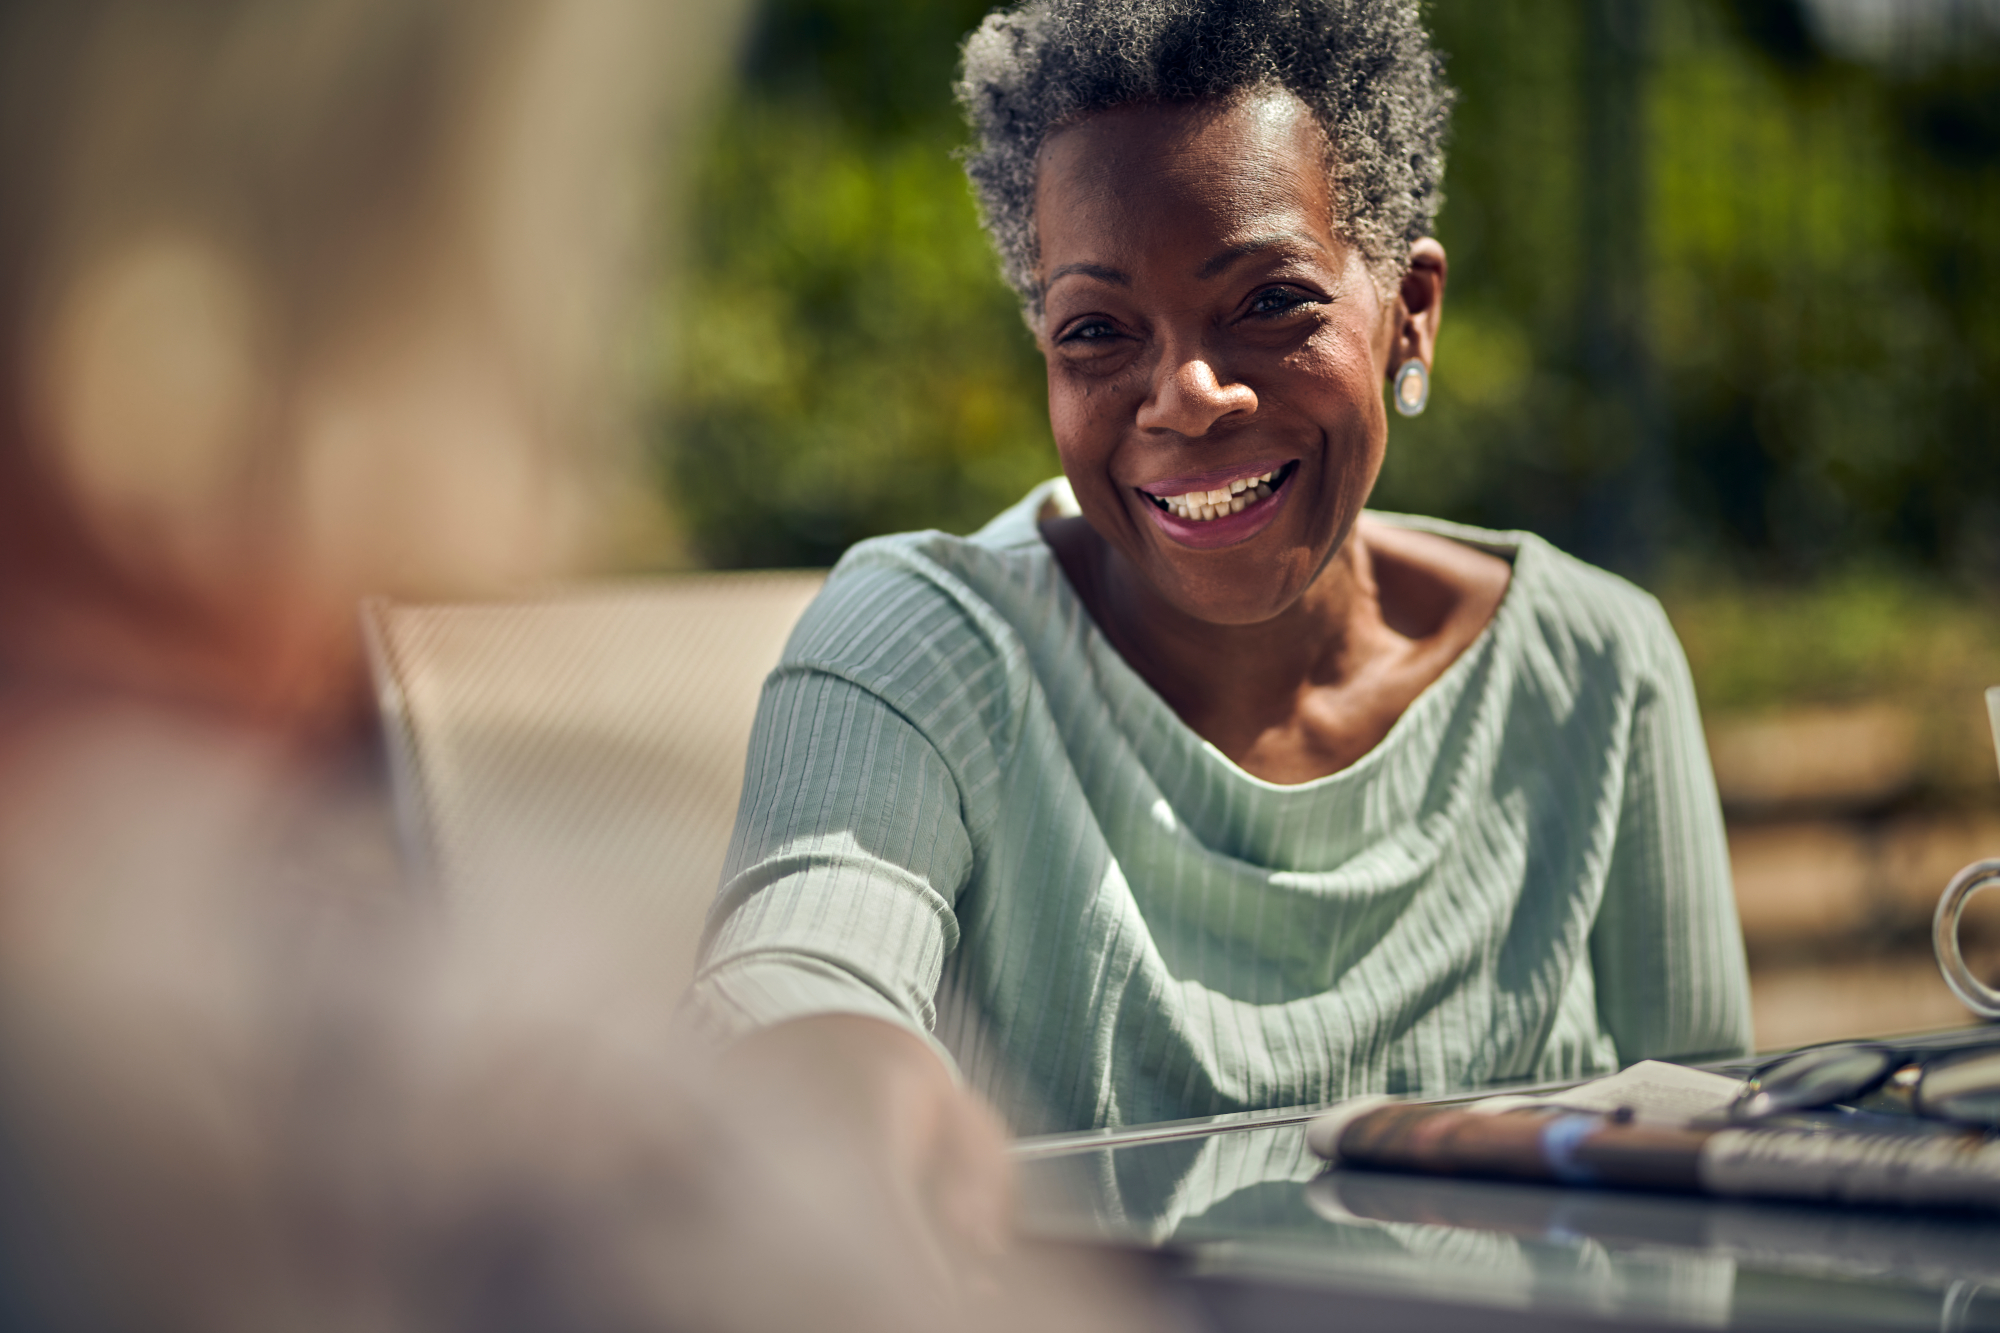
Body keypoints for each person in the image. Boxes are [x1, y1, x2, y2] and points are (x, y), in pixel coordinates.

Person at [686, 0, 1753, 1155]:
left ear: (1409, 314)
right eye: (1095, 329)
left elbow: (1714, 1157)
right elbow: (789, 976)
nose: (1184, 393)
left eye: (1268, 301)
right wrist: (841, 1083)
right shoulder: (923, 639)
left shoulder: (1595, 665)